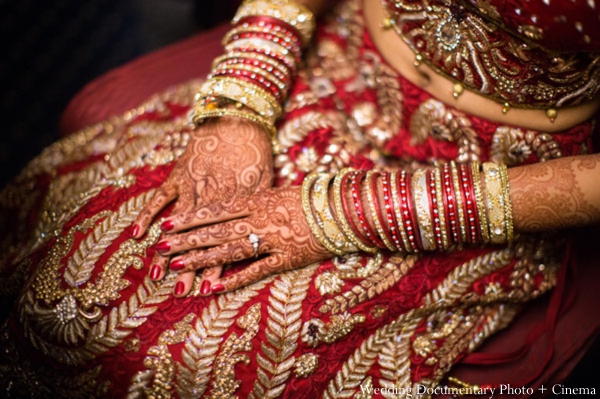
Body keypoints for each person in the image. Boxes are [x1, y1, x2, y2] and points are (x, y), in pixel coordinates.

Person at [1, 0, 599, 397]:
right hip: (329, 72)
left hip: (487, 179)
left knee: (191, 365)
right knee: (76, 278)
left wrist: (345, 215)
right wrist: (243, 100)